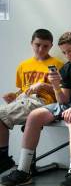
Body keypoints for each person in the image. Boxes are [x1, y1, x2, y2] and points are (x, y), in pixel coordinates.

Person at [0, 32, 71, 186]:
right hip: (70, 104)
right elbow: (63, 100)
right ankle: (23, 170)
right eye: (63, 52)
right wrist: (56, 85)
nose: (67, 55)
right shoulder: (67, 68)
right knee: (34, 116)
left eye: (70, 51)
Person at [0, 29, 63, 176]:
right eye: (38, 45)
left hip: (44, 103)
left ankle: (4, 159)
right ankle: (3, 157)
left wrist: (43, 86)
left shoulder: (58, 64)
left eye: (45, 46)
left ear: (51, 46)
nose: (41, 49)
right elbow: (23, 90)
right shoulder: (23, 66)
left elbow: (64, 93)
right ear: (31, 43)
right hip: (25, 100)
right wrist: (13, 96)